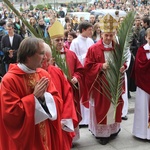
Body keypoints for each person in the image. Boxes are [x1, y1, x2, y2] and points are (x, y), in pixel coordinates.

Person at [0, 37, 63, 150]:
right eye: (41, 53)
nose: (45, 57)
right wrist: (33, 98)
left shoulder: (43, 74)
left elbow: (58, 100)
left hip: (45, 133)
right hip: (26, 137)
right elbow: (10, 114)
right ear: (29, 55)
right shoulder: (9, 80)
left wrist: (44, 98)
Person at [83, 14, 126, 145]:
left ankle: (113, 130)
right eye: (106, 35)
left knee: (114, 107)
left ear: (115, 34)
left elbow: (123, 62)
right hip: (101, 85)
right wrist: (100, 66)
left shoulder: (118, 47)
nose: (108, 38)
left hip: (114, 83)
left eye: (111, 35)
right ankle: (102, 133)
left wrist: (123, 67)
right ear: (101, 33)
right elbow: (87, 66)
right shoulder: (93, 48)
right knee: (102, 108)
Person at [48, 21, 84, 141]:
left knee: (69, 114)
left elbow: (80, 71)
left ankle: (70, 138)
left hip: (70, 91)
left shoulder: (71, 54)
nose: (60, 42)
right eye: (57, 40)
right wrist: (49, 64)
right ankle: (59, 140)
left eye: (61, 40)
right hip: (54, 93)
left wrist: (76, 78)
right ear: (51, 42)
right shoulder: (47, 57)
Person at [42, 43, 78, 150]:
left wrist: (66, 117)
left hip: (59, 121)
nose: (47, 64)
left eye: (49, 60)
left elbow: (67, 95)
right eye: (44, 61)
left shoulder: (57, 72)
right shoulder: (30, 75)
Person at [70, 21, 94, 126]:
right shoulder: (75, 42)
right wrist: (85, 57)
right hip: (81, 72)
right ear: (83, 30)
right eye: (89, 30)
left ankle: (89, 118)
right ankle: (83, 120)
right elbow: (72, 58)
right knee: (82, 94)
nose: (91, 32)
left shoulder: (90, 41)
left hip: (90, 72)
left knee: (89, 95)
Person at [132, 28, 150, 140]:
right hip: (144, 85)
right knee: (143, 107)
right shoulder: (141, 50)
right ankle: (142, 133)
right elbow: (139, 67)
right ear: (146, 37)